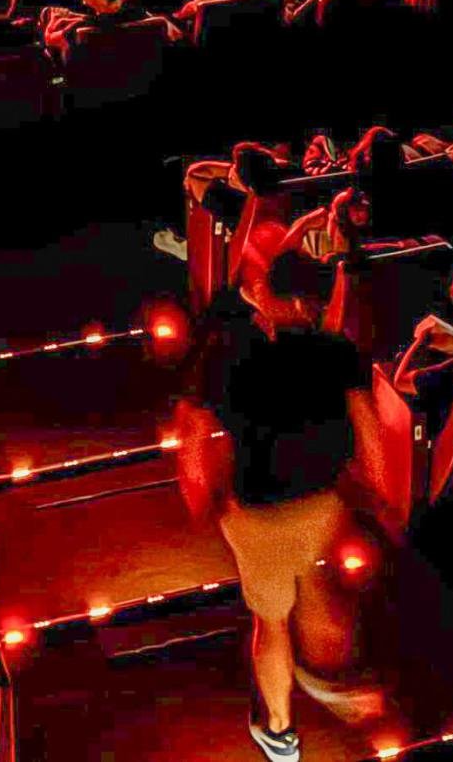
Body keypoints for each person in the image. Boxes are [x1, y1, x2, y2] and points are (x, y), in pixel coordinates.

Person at [182, 280, 373, 762]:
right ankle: (334, 677)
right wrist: (375, 490)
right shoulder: (335, 350)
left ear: (266, 304)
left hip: (257, 513)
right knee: (312, 578)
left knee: (270, 621)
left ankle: (281, 732)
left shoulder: (227, 354)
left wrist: (201, 494)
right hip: (322, 500)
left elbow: (195, 431)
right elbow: (367, 425)